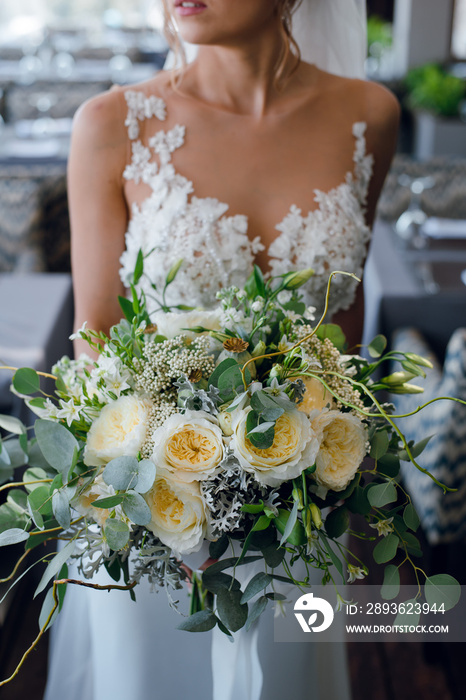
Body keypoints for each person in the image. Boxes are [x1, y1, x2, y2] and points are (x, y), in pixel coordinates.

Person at [44, 1, 400, 699]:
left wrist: (328, 475)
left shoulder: (371, 114)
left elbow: (342, 334)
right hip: (156, 513)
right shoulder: (111, 124)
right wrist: (168, 489)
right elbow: (96, 341)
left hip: (302, 507)